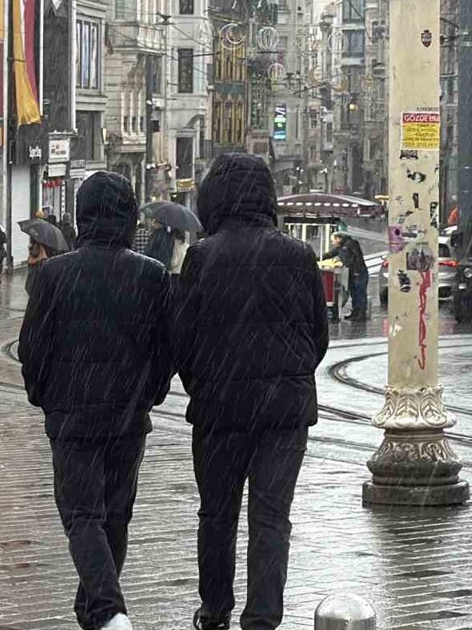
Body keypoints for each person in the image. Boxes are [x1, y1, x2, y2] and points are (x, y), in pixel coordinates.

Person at [174, 153, 329, 630]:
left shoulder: (202, 257)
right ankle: (262, 617)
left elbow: (182, 340)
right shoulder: (298, 256)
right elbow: (317, 336)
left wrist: (206, 384)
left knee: (216, 515)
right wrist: (286, 377)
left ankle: (214, 607)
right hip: (284, 413)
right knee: (271, 517)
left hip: (219, 411)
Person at [19, 171, 174, 630]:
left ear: (83, 215)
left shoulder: (55, 273)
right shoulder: (151, 274)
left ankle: (107, 611)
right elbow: (166, 349)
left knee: (82, 515)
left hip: (73, 416)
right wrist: (148, 395)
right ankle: (96, 613)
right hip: (128, 417)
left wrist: (45, 397)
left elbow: (33, 347)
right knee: (115, 517)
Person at [323, 231, 369, 320]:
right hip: (351, 272)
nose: (332, 243)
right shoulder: (340, 247)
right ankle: (355, 312)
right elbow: (329, 254)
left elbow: (358, 257)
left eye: (333, 241)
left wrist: (357, 270)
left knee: (360, 293)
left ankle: (361, 313)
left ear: (338, 238)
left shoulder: (351, 244)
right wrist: (316, 258)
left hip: (359, 272)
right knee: (354, 293)